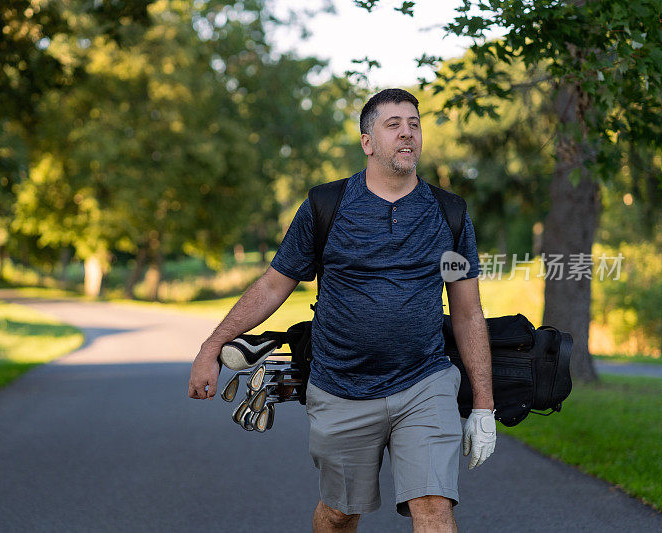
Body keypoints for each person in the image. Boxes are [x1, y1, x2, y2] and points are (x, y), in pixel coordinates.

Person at [188, 88, 495, 533]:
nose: (407, 133)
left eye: (414, 123)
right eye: (393, 125)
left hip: (424, 382)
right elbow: (274, 285)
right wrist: (211, 346)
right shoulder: (325, 206)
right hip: (341, 387)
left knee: (433, 504)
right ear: (368, 142)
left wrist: (483, 407)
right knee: (339, 514)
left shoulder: (449, 213)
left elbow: (467, 311)